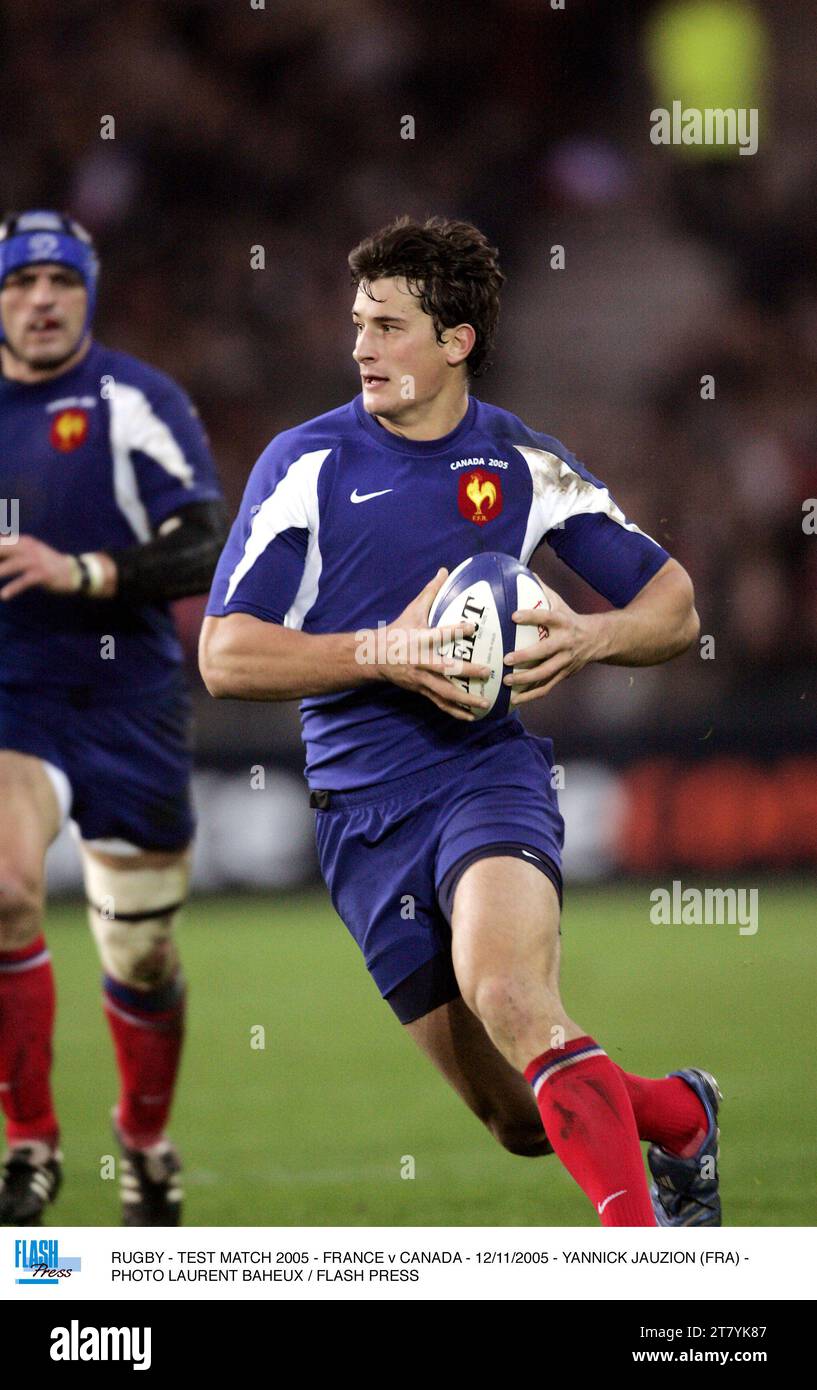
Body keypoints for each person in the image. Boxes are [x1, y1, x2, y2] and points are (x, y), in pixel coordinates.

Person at [199, 215, 721, 1227]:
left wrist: (588, 638)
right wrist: (379, 650)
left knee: (513, 995)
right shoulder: (304, 463)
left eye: (387, 325)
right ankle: (678, 1114)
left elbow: (676, 608)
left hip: (485, 778)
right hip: (359, 813)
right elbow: (224, 654)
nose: (360, 346)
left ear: (455, 341)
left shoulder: (523, 464)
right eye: (357, 323)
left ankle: (648, 1270)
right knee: (518, 1119)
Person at [0, 210, 227, 1226]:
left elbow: (202, 546)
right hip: (17, 697)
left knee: (140, 953)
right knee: (4, 892)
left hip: (131, 704)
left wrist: (85, 570)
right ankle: (31, 1145)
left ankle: (142, 1145)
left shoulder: (138, 400)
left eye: (60, 280)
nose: (40, 298)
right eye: (19, 281)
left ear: (88, 292)